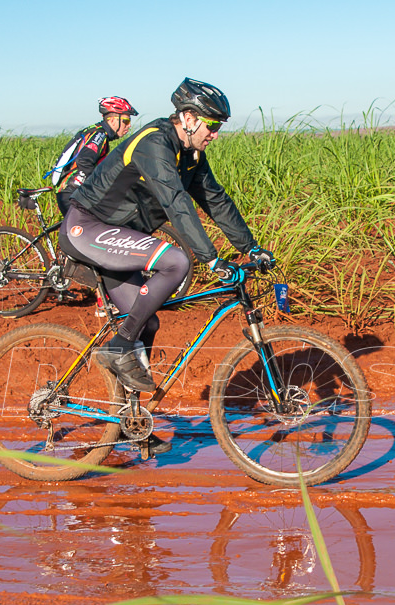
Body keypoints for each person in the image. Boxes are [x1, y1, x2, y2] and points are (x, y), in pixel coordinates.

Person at [57, 77, 275, 454]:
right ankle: (118, 346)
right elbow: (176, 202)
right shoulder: (153, 142)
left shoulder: (189, 155)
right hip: (88, 228)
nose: (216, 134)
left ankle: (128, 421)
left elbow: (216, 201)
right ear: (188, 118)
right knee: (176, 261)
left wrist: (252, 248)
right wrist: (211, 258)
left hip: (119, 239)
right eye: (213, 125)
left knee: (148, 319)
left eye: (220, 127)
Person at [46, 96, 138, 215]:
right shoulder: (99, 135)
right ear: (112, 120)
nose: (129, 126)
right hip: (73, 193)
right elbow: (84, 161)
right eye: (126, 121)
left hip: (73, 192)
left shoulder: (95, 131)